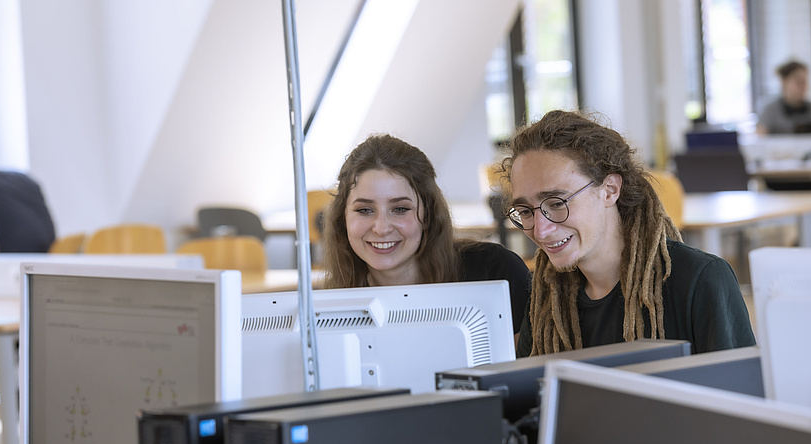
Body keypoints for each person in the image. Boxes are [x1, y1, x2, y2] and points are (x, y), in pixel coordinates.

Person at [501, 110, 756, 357]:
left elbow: (741, 394)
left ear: (610, 189)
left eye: (557, 204)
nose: (540, 229)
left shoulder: (700, 280)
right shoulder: (546, 297)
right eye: (524, 210)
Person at [322, 134, 532, 336]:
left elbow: (527, 369)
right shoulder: (330, 309)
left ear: (428, 213)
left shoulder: (495, 271)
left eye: (400, 209)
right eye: (365, 210)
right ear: (343, 218)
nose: (381, 228)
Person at [756, 60, 811, 134]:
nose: (803, 87)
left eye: (804, 82)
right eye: (798, 82)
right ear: (784, 81)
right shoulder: (770, 110)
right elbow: (759, 140)